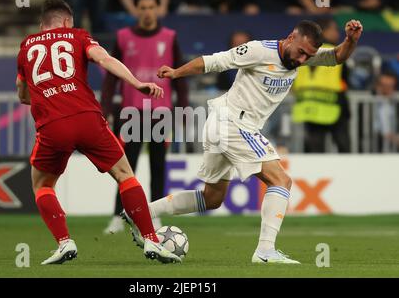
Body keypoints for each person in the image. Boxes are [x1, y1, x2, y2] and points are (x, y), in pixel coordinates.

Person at [124, 19, 363, 264]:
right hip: (233, 124)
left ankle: (142, 212)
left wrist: (351, 41)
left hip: (224, 125)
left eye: (308, 56)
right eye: (302, 52)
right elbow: (213, 62)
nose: (303, 60)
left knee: (212, 198)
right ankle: (265, 251)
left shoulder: (299, 56)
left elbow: (335, 57)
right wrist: (176, 72)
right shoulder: (259, 50)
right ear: (291, 37)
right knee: (281, 180)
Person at [15, 0, 181, 264]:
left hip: (52, 126)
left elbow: (22, 92)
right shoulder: (78, 36)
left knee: (43, 185)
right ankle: (151, 238)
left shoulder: (26, 47)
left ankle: (64, 242)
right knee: (125, 175)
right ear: (68, 22)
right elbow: (104, 59)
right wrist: (137, 83)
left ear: (42, 24)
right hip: (87, 118)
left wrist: (38, 95)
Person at [101, 0, 188, 234]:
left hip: (161, 113)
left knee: (158, 166)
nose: (147, 11)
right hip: (130, 112)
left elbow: (180, 78)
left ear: (158, 9)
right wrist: (105, 109)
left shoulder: (170, 37)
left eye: (151, 7)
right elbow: (110, 77)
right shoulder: (123, 37)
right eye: (143, 7)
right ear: (136, 10)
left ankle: (155, 215)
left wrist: (182, 109)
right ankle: (119, 216)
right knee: (125, 169)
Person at [292, 17, 351, 153]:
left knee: (314, 151)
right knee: (344, 150)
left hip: (308, 108)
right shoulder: (335, 52)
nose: (337, 34)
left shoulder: (301, 52)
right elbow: (346, 79)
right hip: (335, 107)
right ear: (323, 31)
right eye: (334, 30)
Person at [372, 71, 399, 152]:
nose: (387, 89)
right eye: (384, 85)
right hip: (374, 143)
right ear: (378, 86)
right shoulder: (369, 101)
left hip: (393, 146)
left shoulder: (396, 101)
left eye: (390, 86)